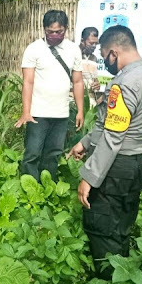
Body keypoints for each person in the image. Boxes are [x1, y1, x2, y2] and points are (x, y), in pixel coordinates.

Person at [67, 26, 142, 279]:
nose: (106, 62)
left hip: (115, 168)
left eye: (105, 55)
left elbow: (113, 137)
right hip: (135, 164)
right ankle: (124, 281)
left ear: (114, 53)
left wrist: (89, 177)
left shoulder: (124, 83)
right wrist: (85, 142)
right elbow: (110, 123)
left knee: (103, 228)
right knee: (121, 227)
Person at [15, 10, 84, 182]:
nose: (54, 35)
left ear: (66, 29)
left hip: (61, 113)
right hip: (37, 113)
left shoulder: (73, 49)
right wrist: (26, 112)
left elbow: (77, 82)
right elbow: (28, 82)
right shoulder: (34, 49)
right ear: (44, 29)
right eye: (50, 32)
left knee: (53, 153)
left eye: (58, 32)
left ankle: (48, 187)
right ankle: (29, 188)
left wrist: (80, 111)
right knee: (32, 152)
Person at [80, 27, 102, 107]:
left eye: (96, 43)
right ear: (82, 41)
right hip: (74, 100)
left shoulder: (94, 58)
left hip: (90, 102)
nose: (94, 46)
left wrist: (97, 85)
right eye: (91, 43)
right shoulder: (74, 55)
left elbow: (95, 80)